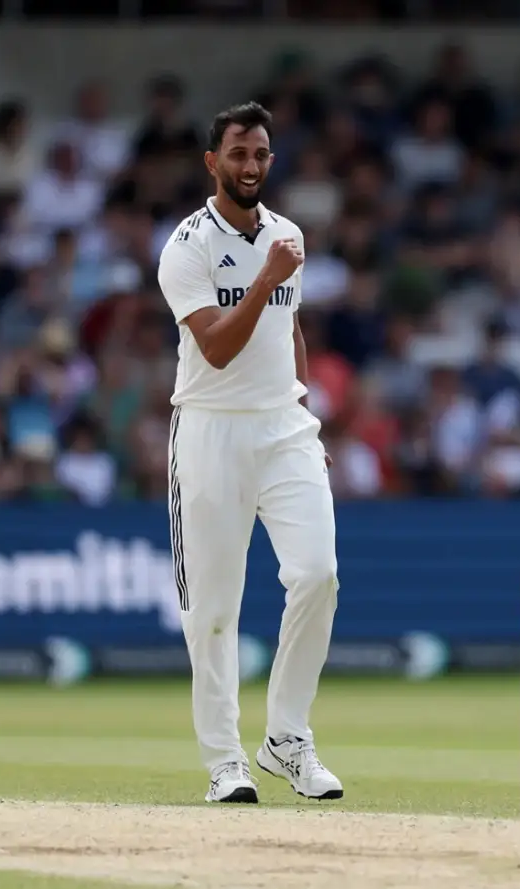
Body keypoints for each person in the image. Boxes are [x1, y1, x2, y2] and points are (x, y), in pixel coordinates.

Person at [157, 102, 343, 804]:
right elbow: (218, 345)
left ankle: (287, 739)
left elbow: (287, 330)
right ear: (213, 162)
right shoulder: (187, 246)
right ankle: (225, 761)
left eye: (261, 153)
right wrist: (266, 278)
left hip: (283, 428)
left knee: (318, 573)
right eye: (237, 153)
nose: (250, 166)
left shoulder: (287, 234)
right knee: (212, 607)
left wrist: (301, 410)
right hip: (210, 427)